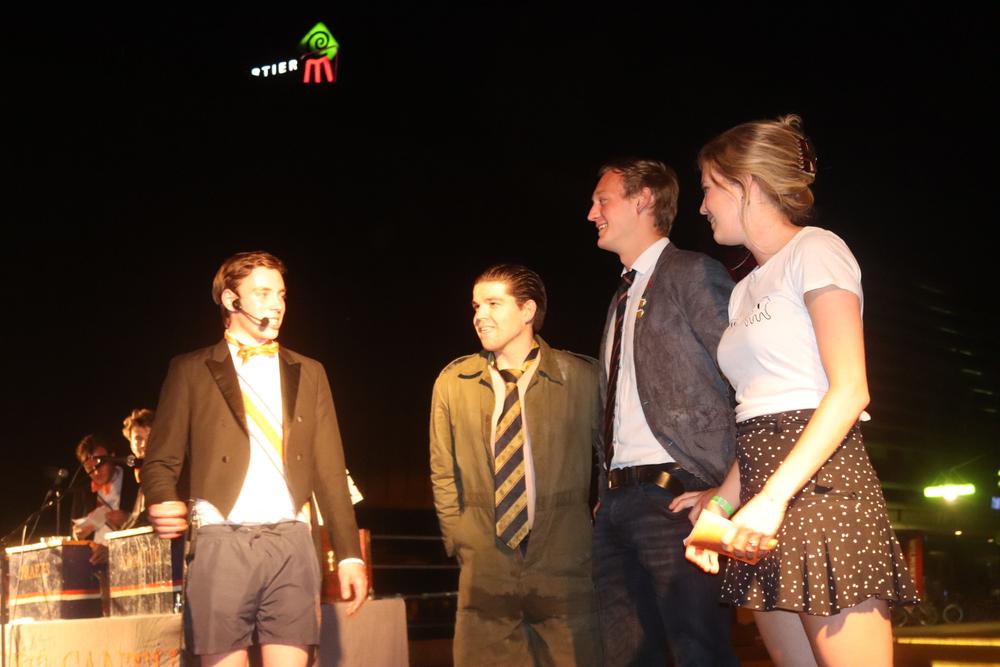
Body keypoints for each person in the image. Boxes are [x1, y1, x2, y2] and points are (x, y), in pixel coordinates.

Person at [676, 115, 918, 666]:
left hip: (822, 492)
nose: (703, 205)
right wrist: (721, 507)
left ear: (747, 184)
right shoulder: (744, 292)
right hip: (765, 491)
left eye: (709, 187)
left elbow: (850, 390)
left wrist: (771, 500)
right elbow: (759, 417)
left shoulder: (817, 249)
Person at [142, 250, 367, 667]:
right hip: (221, 540)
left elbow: (331, 471)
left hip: (293, 542)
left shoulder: (310, 371)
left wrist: (349, 554)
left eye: (281, 294)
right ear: (231, 300)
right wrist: (161, 497)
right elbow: (159, 461)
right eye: (263, 294)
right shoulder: (191, 369)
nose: (277, 304)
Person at [586, 159, 740, 666]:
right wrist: (605, 491)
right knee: (627, 656)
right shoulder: (620, 297)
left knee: (700, 653)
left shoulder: (693, 273)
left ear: (643, 199)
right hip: (616, 505)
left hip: (676, 499)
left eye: (602, 200)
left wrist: (725, 488)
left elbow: (748, 380)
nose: (592, 214)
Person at [430, 264, 603, 666]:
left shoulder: (582, 377)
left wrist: (599, 525)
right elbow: (442, 471)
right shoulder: (454, 382)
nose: (480, 316)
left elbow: (610, 458)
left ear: (527, 310)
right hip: (484, 566)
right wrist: (459, 538)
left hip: (564, 561)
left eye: (493, 303)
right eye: (476, 306)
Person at [70, 434, 141, 563]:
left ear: (112, 457)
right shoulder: (82, 491)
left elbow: (150, 524)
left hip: (129, 560)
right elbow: (74, 534)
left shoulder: (135, 481)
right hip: (93, 564)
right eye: (89, 468)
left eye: (99, 465)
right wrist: (77, 536)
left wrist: (130, 520)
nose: (96, 473)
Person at [120, 407, 154, 529]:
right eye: (138, 439)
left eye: (150, 437)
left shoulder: (165, 470)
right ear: (130, 443)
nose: (144, 444)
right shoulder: (135, 473)